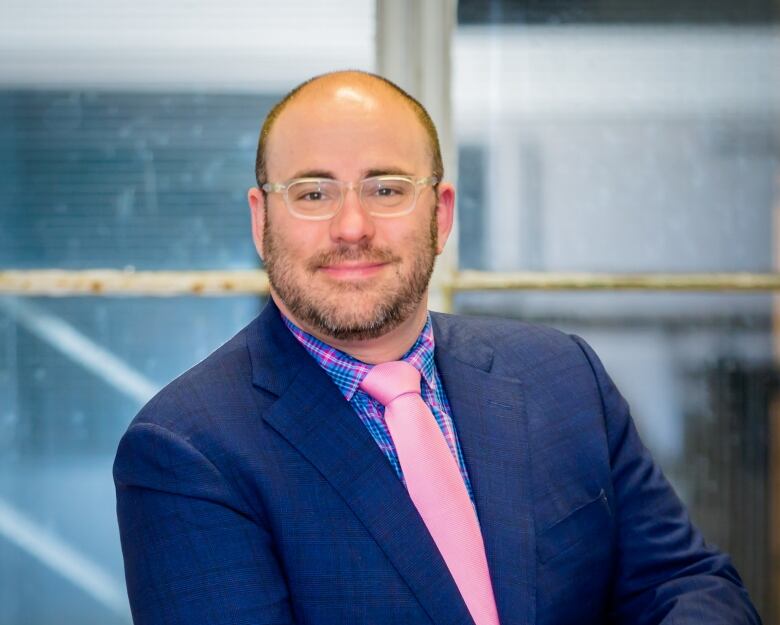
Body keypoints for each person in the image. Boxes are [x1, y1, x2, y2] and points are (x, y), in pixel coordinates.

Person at [113, 70, 761, 625]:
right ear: (261, 219)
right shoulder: (187, 449)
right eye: (312, 192)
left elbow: (687, 586)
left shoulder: (563, 374)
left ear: (442, 213)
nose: (351, 227)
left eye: (386, 188)